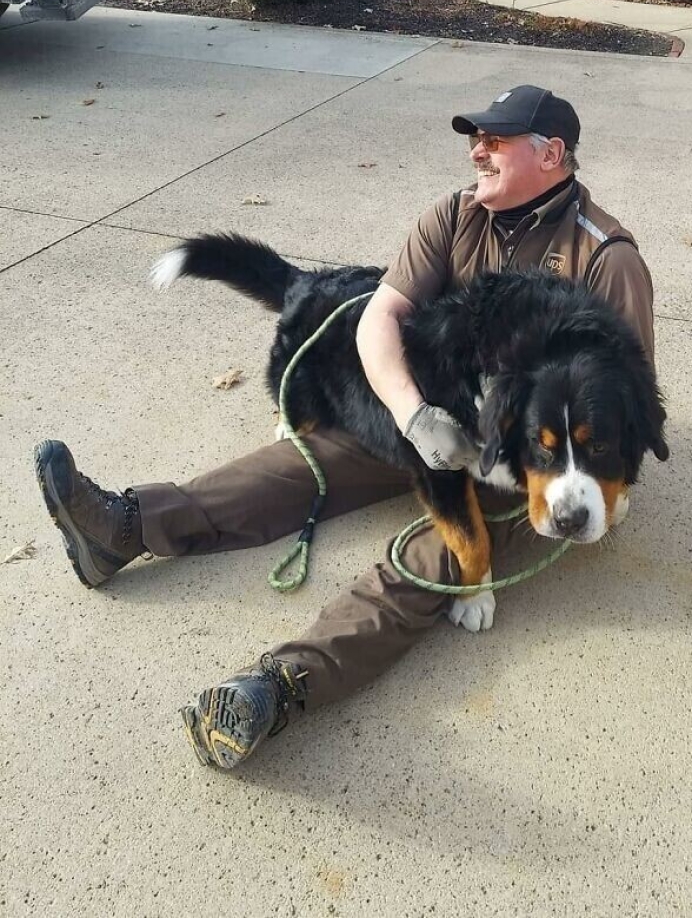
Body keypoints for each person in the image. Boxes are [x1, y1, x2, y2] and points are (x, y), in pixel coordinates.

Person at [34, 84, 656, 771]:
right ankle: (128, 527)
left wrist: (611, 487)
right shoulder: (452, 214)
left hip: (526, 459)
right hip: (426, 413)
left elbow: (627, 402)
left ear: (552, 153)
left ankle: (284, 682)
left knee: (449, 547)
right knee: (307, 459)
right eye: (474, 137)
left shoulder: (606, 258)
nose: (477, 149)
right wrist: (409, 413)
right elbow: (378, 317)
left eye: (496, 139)